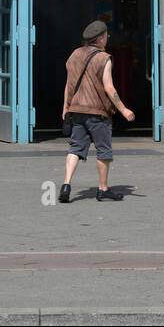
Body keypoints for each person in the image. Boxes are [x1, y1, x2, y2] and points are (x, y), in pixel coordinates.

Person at [59, 19, 134, 203]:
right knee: (104, 151)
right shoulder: (104, 58)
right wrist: (124, 109)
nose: (107, 38)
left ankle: (66, 185)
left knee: (75, 148)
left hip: (77, 110)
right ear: (100, 38)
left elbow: (68, 85)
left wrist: (65, 107)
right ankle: (103, 189)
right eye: (106, 35)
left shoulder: (74, 54)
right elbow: (109, 88)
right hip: (98, 113)